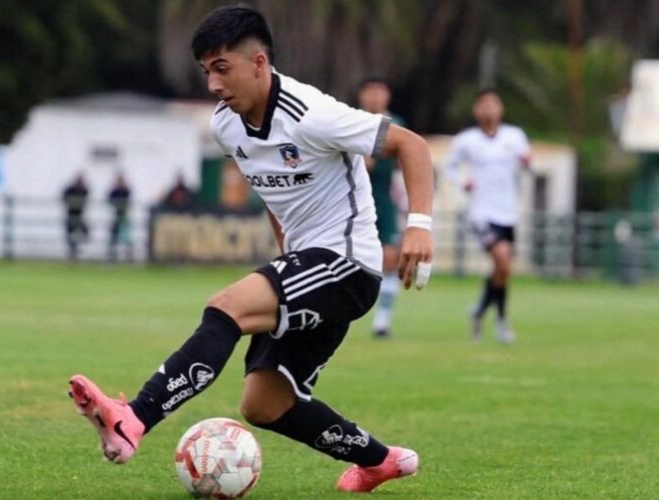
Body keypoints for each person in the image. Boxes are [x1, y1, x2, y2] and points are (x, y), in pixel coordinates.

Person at [68, 6, 434, 494]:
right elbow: (269, 187)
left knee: (225, 310)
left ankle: (134, 418)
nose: (214, 84)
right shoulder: (227, 126)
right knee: (264, 405)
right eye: (206, 72)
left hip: (348, 266)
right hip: (310, 265)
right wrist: (285, 248)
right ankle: (383, 461)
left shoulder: (312, 113)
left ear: (259, 63)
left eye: (223, 68)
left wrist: (419, 227)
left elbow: (412, 145)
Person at [444, 88, 531, 343]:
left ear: (501, 109)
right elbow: (450, 167)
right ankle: (500, 319)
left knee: (502, 270)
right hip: (482, 212)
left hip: (508, 212)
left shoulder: (514, 137)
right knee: (502, 260)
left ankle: (483, 312)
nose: (490, 109)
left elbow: (528, 165)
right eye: (484, 104)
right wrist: (463, 183)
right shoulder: (466, 140)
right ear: (476, 110)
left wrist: (527, 163)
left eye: (494, 103)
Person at [357, 78, 405, 339]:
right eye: (369, 92)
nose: (374, 97)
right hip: (350, 199)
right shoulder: (348, 120)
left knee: (389, 257)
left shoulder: (396, 124)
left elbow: (404, 158)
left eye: (379, 92)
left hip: (383, 199)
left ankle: (382, 321)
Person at [62, 173, 89, 261]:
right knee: (70, 236)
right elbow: (64, 196)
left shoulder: (83, 190)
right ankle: (73, 253)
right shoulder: (71, 189)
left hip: (79, 216)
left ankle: (75, 251)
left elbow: (86, 193)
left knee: (83, 232)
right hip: (71, 215)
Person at [107, 173, 132, 262]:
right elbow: (109, 199)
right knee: (113, 238)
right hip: (116, 216)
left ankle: (129, 256)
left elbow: (128, 201)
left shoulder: (126, 190)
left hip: (124, 217)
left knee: (127, 238)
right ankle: (112, 256)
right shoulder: (115, 191)